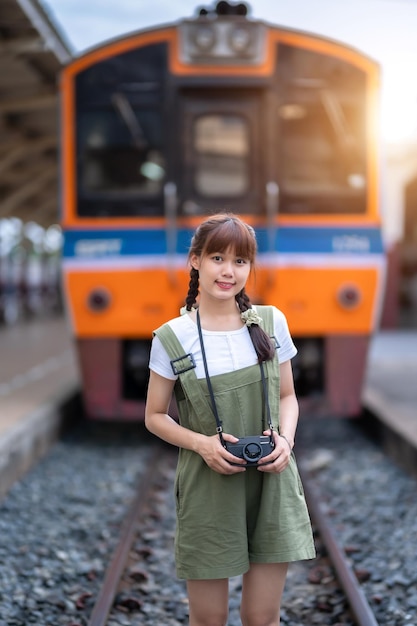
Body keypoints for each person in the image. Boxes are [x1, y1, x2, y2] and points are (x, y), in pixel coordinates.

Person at [145, 213, 315, 626]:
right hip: (209, 481)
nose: (229, 271)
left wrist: (286, 442)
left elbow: (288, 397)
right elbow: (154, 416)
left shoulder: (271, 323)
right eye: (218, 257)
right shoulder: (172, 337)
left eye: (241, 261)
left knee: (262, 617)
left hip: (272, 478)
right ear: (195, 260)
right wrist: (202, 444)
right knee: (209, 618)